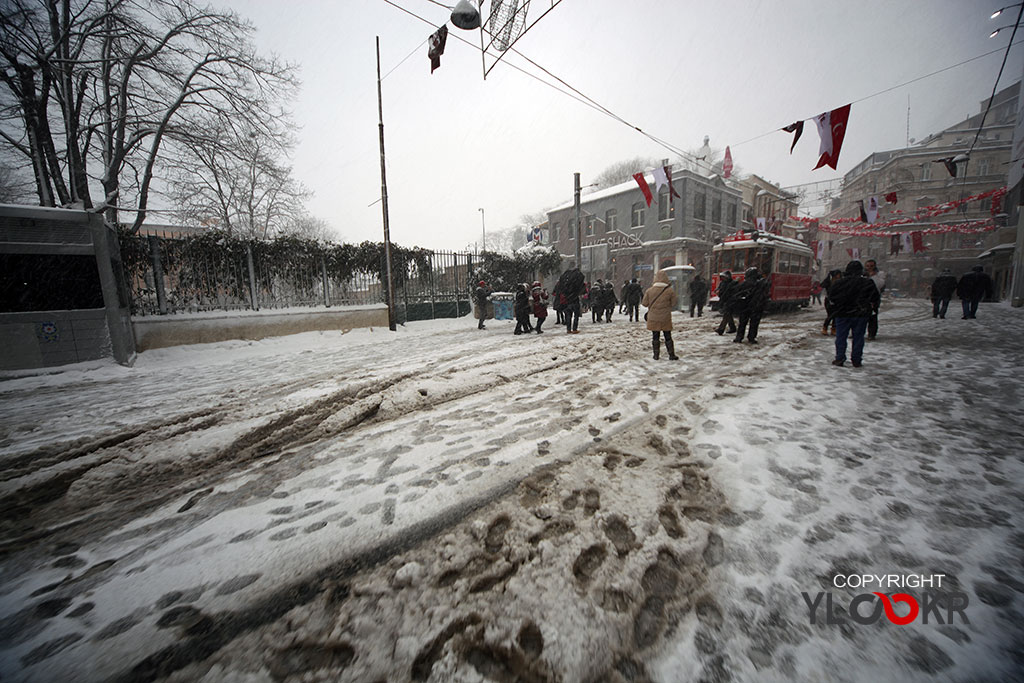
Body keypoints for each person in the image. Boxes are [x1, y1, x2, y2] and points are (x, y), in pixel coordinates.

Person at [827, 260, 880, 368]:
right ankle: (856, 360)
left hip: (842, 313)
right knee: (858, 337)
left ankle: (840, 358)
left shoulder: (840, 283)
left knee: (841, 337)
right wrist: (868, 307)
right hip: (860, 314)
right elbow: (875, 298)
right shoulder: (867, 282)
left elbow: (831, 297)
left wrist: (838, 306)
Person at [642, 270, 678, 360]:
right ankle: (671, 354)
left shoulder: (649, 291)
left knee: (655, 336)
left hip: (653, 317)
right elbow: (674, 303)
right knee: (667, 336)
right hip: (665, 317)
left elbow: (644, 303)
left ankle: (656, 355)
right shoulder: (670, 291)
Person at [732, 267, 769, 344]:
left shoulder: (744, 284)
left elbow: (735, 292)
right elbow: (765, 293)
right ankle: (751, 338)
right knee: (754, 323)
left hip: (745, 306)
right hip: (756, 306)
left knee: (742, 323)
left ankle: (739, 337)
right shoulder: (761, 284)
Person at [556, 267, 586, 334]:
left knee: (568, 315)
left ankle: (568, 329)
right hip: (574, 299)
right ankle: (574, 329)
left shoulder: (565, 280)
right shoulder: (576, 278)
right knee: (576, 315)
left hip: (567, 300)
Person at [864, 260, 886, 340]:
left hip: (874, 298)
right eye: (868, 266)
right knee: (859, 317)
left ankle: (871, 334)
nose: (869, 268)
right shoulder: (862, 274)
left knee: (872, 316)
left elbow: (880, 285)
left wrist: (874, 276)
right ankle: (857, 332)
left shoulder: (879, 274)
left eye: (871, 266)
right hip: (863, 298)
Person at [714, 271, 738, 336]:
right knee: (728, 315)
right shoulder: (723, 283)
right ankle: (732, 327)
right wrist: (718, 292)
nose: (723, 279)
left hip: (730, 301)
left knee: (726, 315)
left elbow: (732, 292)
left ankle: (721, 329)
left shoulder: (732, 283)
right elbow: (718, 290)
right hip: (724, 300)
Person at [820, 269, 842, 336]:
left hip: (837, 300)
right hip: (829, 300)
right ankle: (825, 327)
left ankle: (833, 328)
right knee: (830, 315)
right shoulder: (829, 281)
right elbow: (822, 285)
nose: (838, 276)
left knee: (835, 315)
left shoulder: (840, 281)